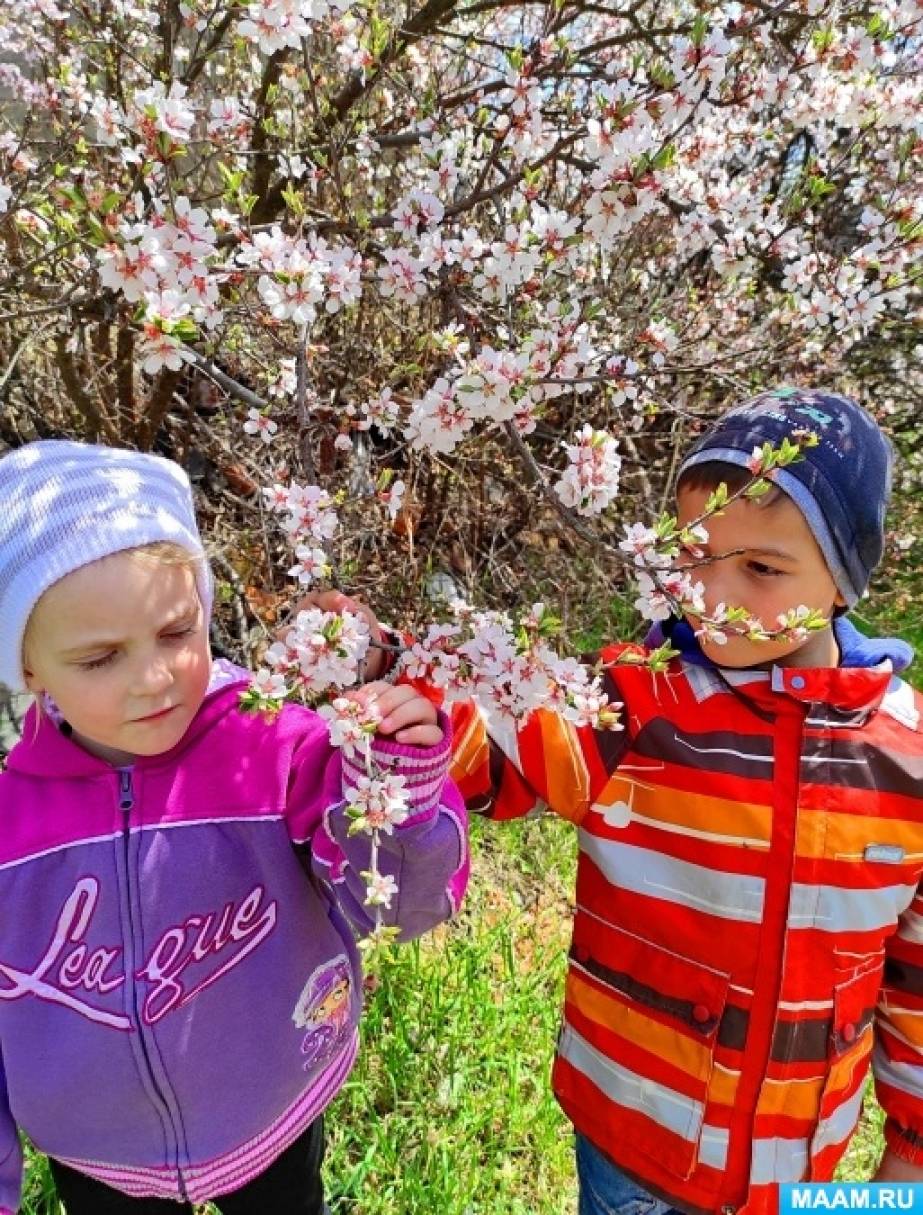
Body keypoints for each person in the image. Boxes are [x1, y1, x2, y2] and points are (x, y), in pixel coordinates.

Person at [315, 388, 923, 1215]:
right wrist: (394, 680)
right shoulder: (633, 704)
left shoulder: (906, 760)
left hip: (798, 1171)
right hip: (633, 1142)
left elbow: (913, 982)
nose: (715, 595)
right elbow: (501, 754)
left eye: (762, 569)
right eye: (693, 556)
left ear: (845, 581)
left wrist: (908, 1159)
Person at [0, 440, 469, 1215]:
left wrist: (397, 794)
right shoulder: (13, 827)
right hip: (97, 1150)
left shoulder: (273, 749)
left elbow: (402, 905)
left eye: (177, 633)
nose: (153, 678)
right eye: (99, 657)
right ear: (28, 669)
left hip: (273, 1106)